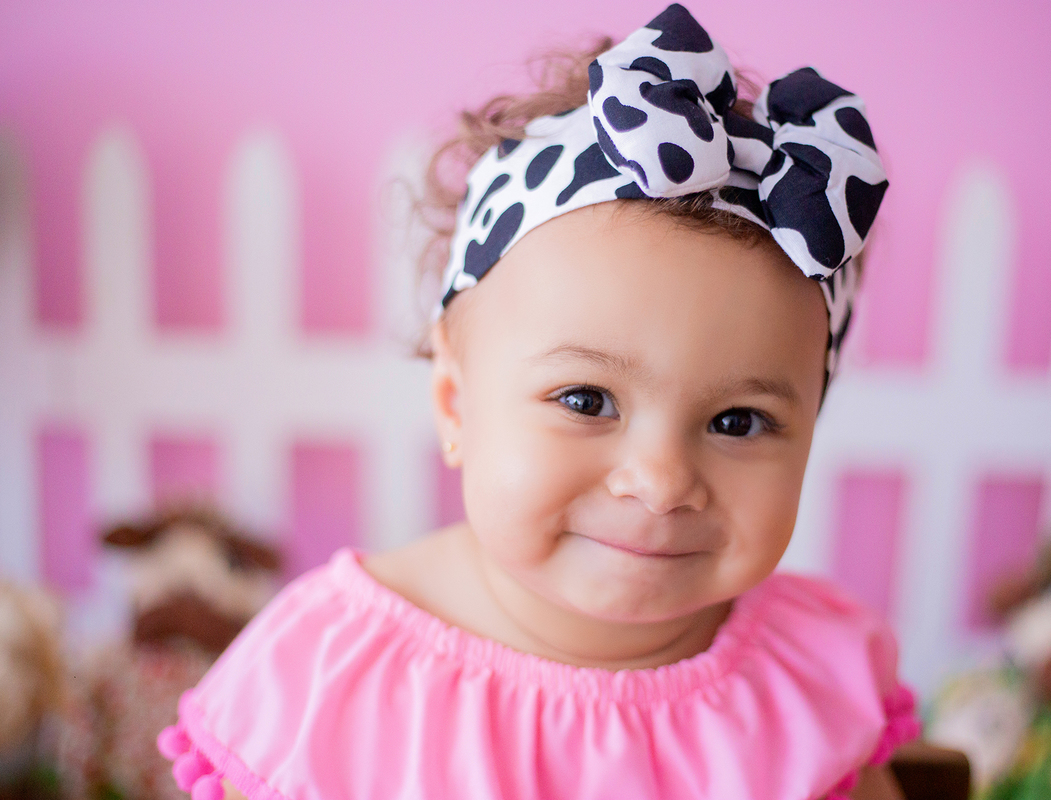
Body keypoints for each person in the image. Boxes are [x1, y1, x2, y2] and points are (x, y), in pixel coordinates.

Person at [157, 5, 918, 798]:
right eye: (587, 400)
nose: (658, 482)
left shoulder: (804, 678)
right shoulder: (325, 677)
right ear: (456, 405)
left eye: (738, 421)